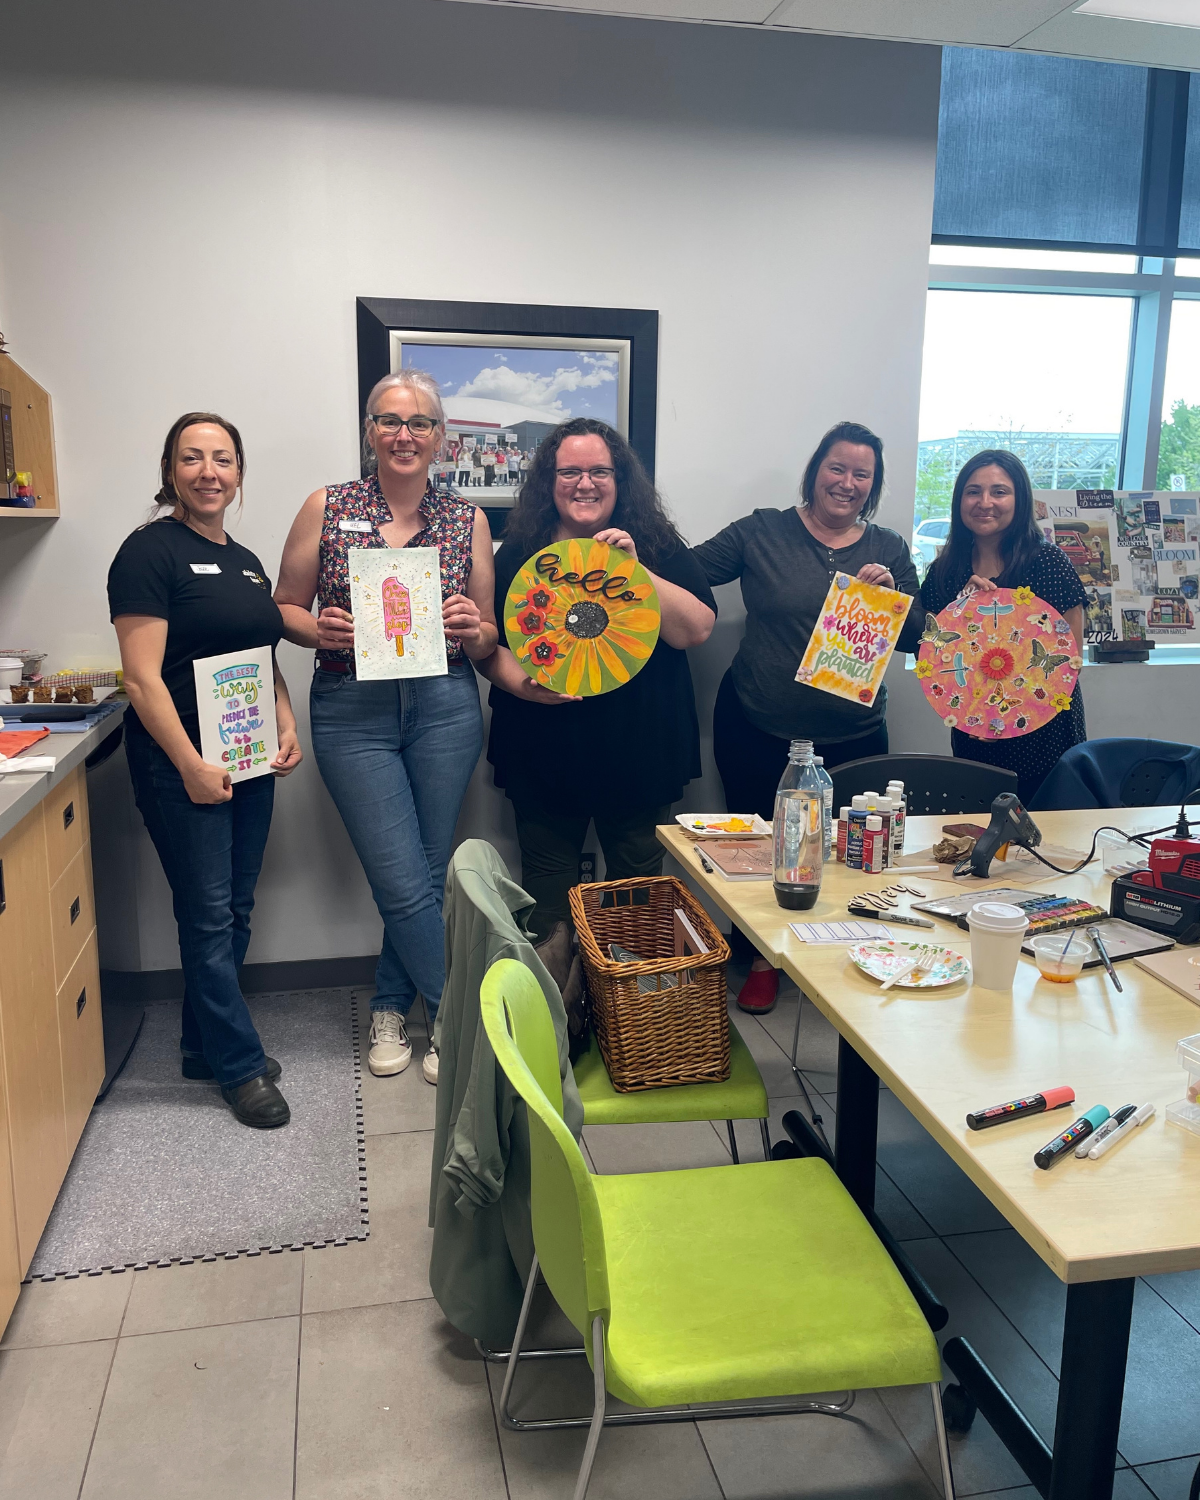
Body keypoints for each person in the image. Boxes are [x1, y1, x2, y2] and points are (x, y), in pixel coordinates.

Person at [274, 370, 498, 1083]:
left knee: (426, 872)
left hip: (444, 707)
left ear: (441, 438)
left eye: (420, 423)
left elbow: (488, 636)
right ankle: (459, 1023)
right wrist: (321, 631)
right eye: (390, 420)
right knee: (402, 878)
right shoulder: (327, 506)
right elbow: (283, 607)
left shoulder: (468, 519)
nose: (405, 434)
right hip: (352, 710)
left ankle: (388, 1005)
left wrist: (473, 627)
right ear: (369, 430)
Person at [108, 412, 303, 1128]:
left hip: (248, 760)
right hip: (179, 766)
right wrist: (189, 763)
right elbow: (141, 679)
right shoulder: (148, 553)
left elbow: (262, 654)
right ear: (171, 473)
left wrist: (285, 722)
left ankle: (202, 1043)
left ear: (240, 473)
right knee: (207, 912)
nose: (208, 472)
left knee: (233, 908)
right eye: (192, 458)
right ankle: (239, 1065)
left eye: (222, 458)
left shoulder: (246, 561)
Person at [693, 420, 922, 1012]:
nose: (847, 483)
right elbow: (685, 571)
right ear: (816, 471)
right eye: (837, 468)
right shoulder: (762, 530)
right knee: (763, 849)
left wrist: (892, 597)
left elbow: (919, 637)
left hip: (854, 734)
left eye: (861, 474)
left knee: (851, 854)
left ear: (873, 486)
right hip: (757, 723)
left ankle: (842, 964)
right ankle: (763, 959)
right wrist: (630, 552)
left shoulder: (889, 547)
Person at [479, 417, 716, 938]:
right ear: (549, 481)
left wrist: (637, 572)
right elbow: (487, 646)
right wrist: (525, 687)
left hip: (640, 748)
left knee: (635, 899)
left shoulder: (655, 545)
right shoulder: (520, 550)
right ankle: (558, 1014)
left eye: (599, 472)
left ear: (620, 479)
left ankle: (623, 1015)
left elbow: (696, 630)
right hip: (542, 746)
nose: (585, 483)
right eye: (569, 472)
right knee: (547, 902)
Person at [920, 449, 1086, 805]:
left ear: (1019, 499)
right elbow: (939, 658)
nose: (985, 502)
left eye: (999, 491)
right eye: (973, 491)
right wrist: (962, 609)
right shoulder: (945, 572)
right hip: (974, 734)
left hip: (1043, 733)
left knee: (1047, 841)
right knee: (978, 838)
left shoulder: (1048, 563)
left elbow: (1067, 661)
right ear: (959, 500)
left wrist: (1003, 718)